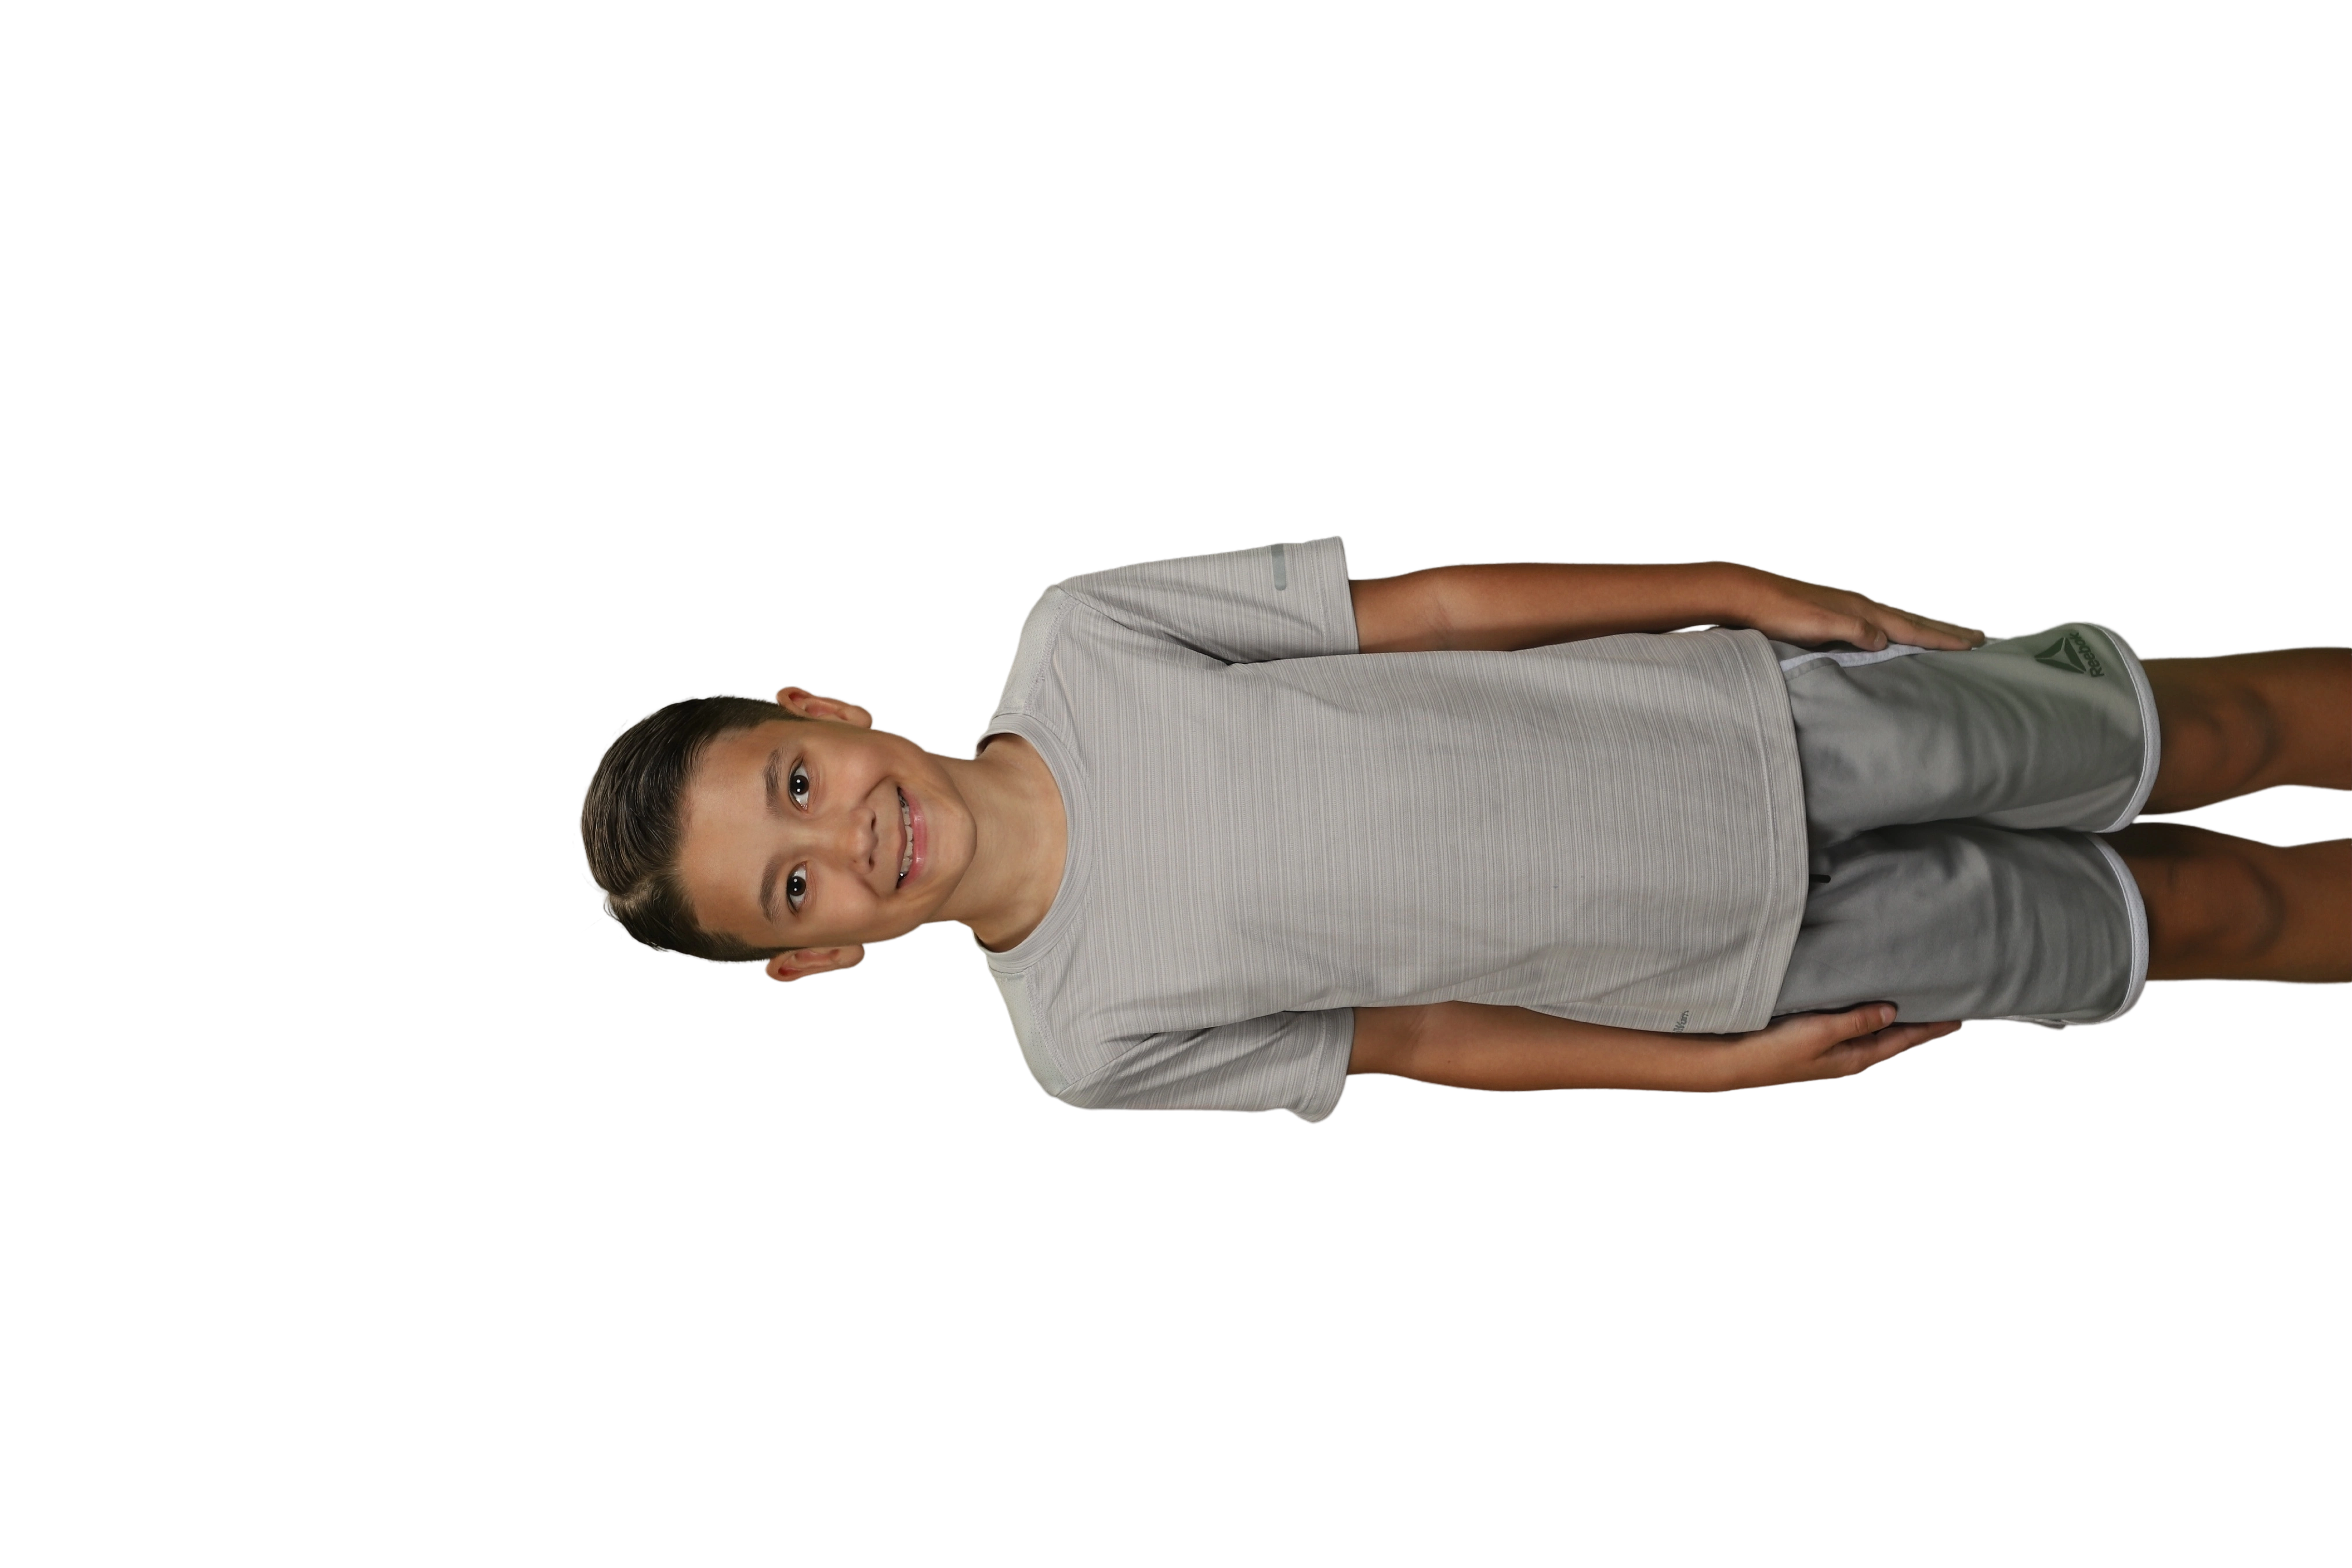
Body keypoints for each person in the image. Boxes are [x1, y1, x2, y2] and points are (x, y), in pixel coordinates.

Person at [573, 536, 2352, 1124]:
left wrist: (1727, 588)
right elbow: (1422, 1039)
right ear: (815, 954)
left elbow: (1428, 615)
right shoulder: (1086, 1043)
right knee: (2208, 925)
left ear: (824, 711)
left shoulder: (1086, 637)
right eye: (791, 886)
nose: (845, 840)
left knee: (2209, 729)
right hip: (1754, 966)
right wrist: (1718, 1077)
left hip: (1760, 721)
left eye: (793, 785)